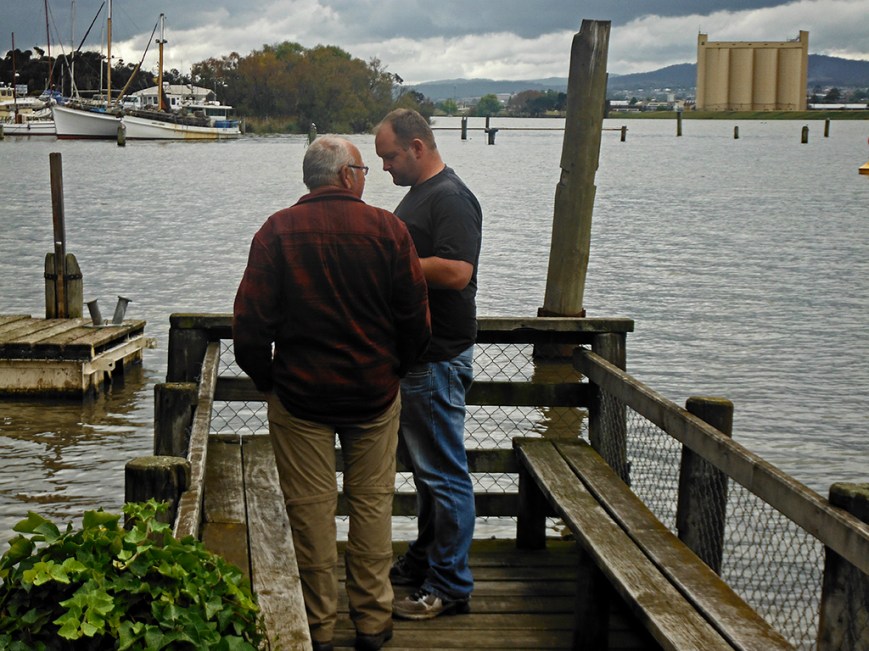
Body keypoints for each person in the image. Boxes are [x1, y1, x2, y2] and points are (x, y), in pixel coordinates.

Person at [233, 136, 431, 651]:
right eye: (363, 169)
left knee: (310, 511)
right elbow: (415, 320)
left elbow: (250, 326)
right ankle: (372, 623)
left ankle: (317, 628)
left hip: (300, 397)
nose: (367, 177)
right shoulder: (389, 230)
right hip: (373, 394)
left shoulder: (276, 232)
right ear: (346, 176)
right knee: (372, 507)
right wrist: (393, 370)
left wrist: (268, 380)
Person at [374, 109, 483, 620]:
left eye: (390, 157)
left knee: (442, 473)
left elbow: (458, 271)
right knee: (425, 471)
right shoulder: (423, 193)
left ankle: (449, 584)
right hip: (420, 356)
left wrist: (390, 264)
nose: (385, 168)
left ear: (417, 147)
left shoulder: (451, 197)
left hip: (438, 357)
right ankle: (425, 558)